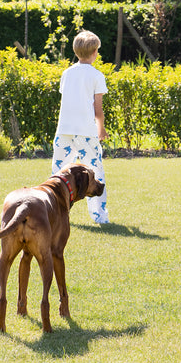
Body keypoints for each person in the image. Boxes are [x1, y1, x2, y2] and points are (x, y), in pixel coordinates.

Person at [52, 30, 110, 223]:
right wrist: (101, 128)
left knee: (58, 173)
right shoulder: (97, 75)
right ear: (95, 52)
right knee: (95, 173)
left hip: (64, 131)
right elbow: (98, 109)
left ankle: (54, 212)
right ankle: (99, 216)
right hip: (86, 132)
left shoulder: (66, 73)